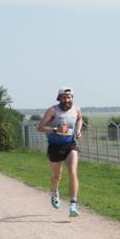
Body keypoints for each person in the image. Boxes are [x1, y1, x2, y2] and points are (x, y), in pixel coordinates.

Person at [37, 87, 83, 218]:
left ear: (72, 98)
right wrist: (56, 129)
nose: (67, 100)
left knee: (73, 171)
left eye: (69, 97)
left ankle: (73, 204)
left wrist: (78, 131)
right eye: (64, 97)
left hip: (70, 145)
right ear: (59, 98)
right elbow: (40, 128)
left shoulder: (76, 109)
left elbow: (80, 119)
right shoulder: (53, 110)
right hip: (55, 147)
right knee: (57, 176)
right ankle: (54, 191)